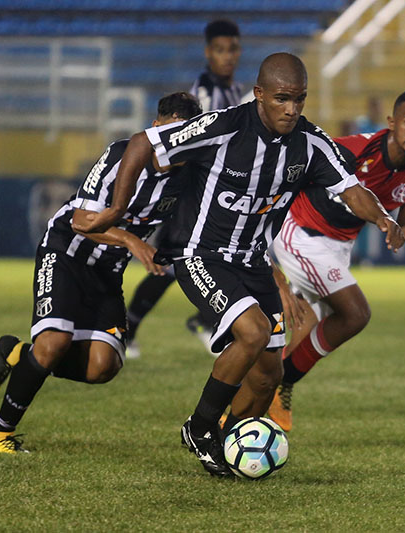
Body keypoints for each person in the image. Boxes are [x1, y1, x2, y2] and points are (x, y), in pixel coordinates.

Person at [74, 53, 404, 477]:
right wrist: (117, 207)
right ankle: (200, 427)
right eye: (283, 98)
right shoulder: (222, 127)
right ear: (260, 94)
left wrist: (383, 218)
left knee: (270, 373)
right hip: (200, 255)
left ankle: (232, 447)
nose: (292, 109)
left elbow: (352, 189)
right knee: (253, 332)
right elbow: (143, 143)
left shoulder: (311, 143)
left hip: (254, 262)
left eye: (300, 99)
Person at [0, 92, 202, 454]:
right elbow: (81, 222)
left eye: (183, 137)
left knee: (102, 366)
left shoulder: (188, 175)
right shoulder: (120, 155)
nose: (174, 145)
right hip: (66, 252)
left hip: (107, 271)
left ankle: (18, 354)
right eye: (170, 133)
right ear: (156, 125)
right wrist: (131, 241)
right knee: (54, 343)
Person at [267, 88, 405, 432]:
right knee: (356, 313)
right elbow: (295, 171)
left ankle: (252, 399)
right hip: (302, 231)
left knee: (306, 325)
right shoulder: (355, 149)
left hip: (339, 247)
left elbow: (404, 225)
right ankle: (279, 384)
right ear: (391, 123)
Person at [124, 19, 244, 358]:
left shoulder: (233, 89)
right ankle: (130, 329)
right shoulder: (205, 92)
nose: (228, 56)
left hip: (208, 187)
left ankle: (204, 322)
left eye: (233, 49)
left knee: (200, 257)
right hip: (192, 188)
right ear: (208, 53)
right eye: (220, 50)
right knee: (171, 261)